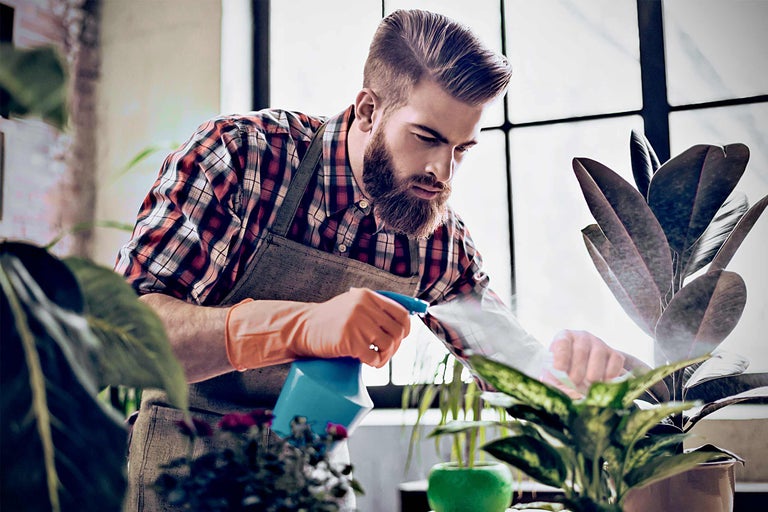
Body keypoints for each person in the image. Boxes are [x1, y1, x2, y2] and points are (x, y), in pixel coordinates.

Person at [115, 9, 625, 511]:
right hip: (185, 475)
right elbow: (124, 336)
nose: (441, 172)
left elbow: (508, 359)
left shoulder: (435, 236)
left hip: (312, 487)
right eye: (426, 137)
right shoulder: (242, 157)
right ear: (367, 110)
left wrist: (567, 375)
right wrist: (300, 327)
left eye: (461, 149)